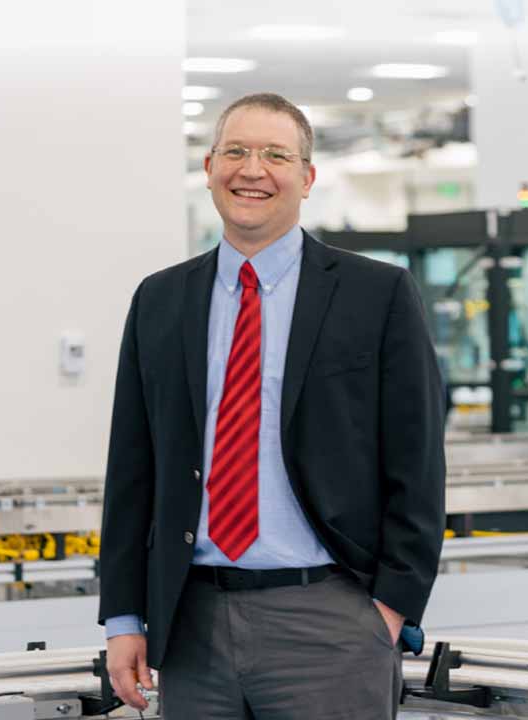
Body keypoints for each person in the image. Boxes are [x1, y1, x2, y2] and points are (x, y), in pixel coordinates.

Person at [97, 92, 446, 719]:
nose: (251, 170)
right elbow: (132, 468)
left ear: (307, 177)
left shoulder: (378, 294)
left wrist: (389, 611)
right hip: (191, 620)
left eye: (275, 155)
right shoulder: (160, 300)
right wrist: (124, 616)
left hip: (328, 617)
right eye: (235, 151)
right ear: (208, 168)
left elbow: (417, 462)